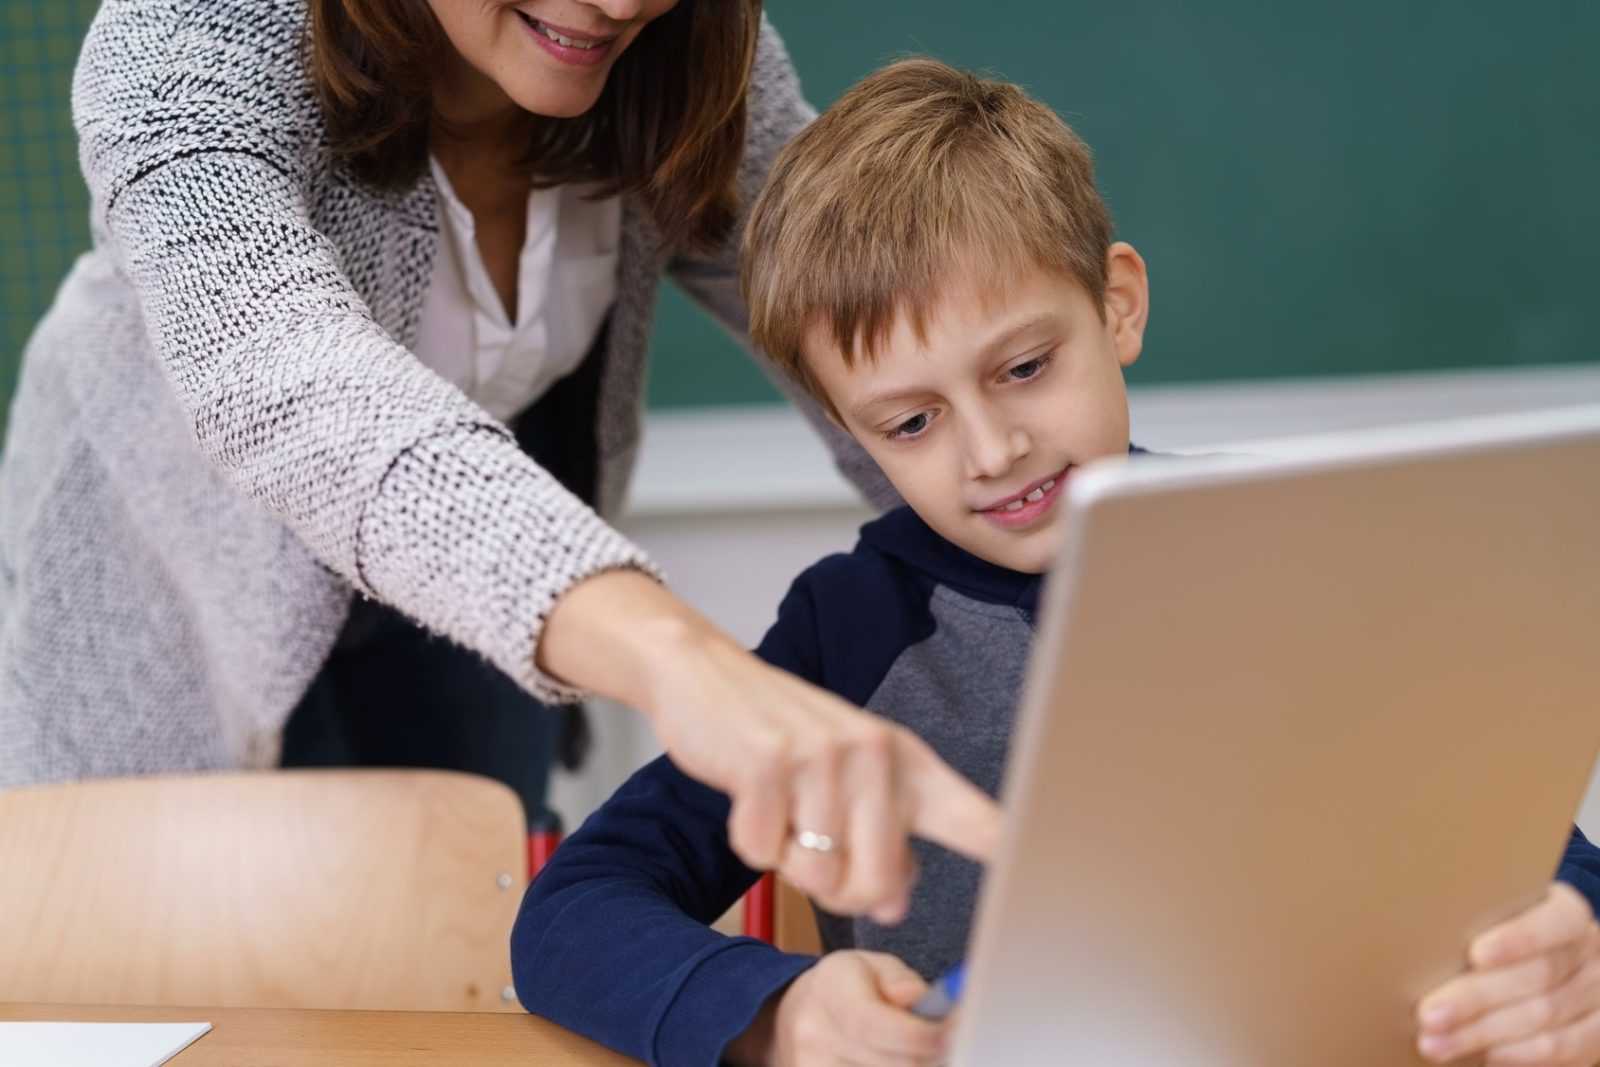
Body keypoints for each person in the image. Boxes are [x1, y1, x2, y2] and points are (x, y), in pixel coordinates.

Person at [509, 60, 1600, 1067]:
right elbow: (571, 911)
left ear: (1116, 304)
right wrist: (780, 1010)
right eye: (910, 423)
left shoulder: (1294, 556)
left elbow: (1534, 849)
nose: (992, 451)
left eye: (1025, 367)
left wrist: (1571, 932)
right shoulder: (846, 631)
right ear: (849, 427)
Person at [0, 0, 997, 918]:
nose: (619, 4)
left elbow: (867, 332)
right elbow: (280, 375)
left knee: (461, 937)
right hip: (167, 587)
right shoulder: (191, 38)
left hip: (475, 573)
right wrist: (679, 661)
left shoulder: (685, 46)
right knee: (167, 948)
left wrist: (1040, 597)